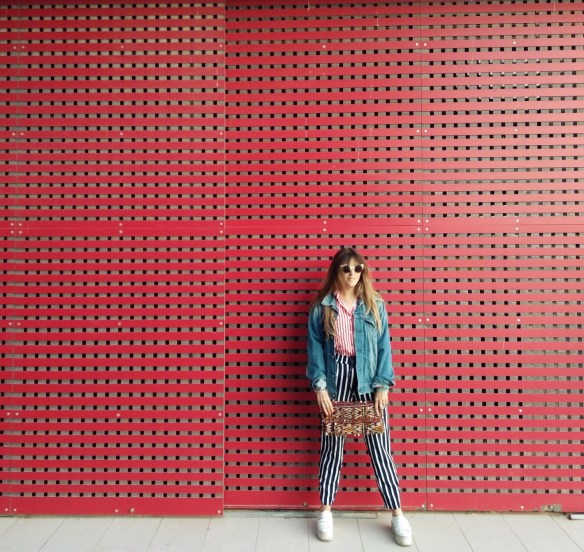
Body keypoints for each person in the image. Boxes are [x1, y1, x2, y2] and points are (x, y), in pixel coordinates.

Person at [306, 247, 413, 547]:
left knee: (380, 448)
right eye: (346, 268)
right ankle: (326, 511)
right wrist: (320, 387)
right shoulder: (322, 308)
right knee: (332, 447)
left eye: (357, 268)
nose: (352, 273)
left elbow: (384, 347)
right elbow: (315, 350)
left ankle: (397, 515)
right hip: (336, 378)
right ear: (336, 271)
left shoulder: (375, 305)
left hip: (369, 380)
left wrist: (383, 385)